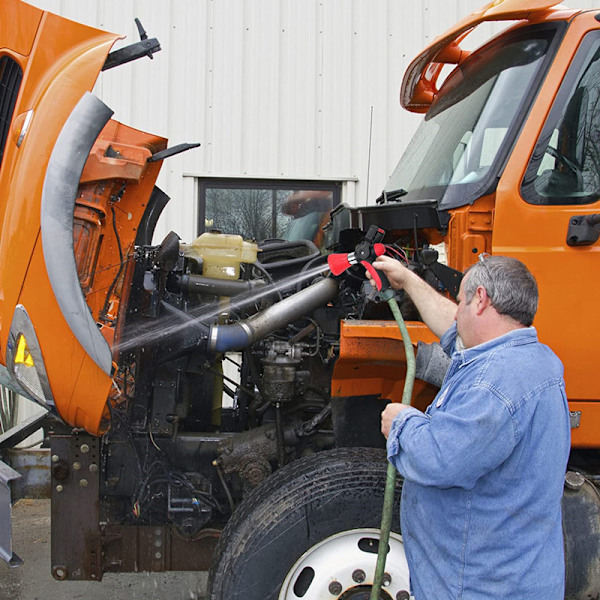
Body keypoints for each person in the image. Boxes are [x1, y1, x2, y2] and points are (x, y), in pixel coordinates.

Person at [372, 254, 571, 600]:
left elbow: (439, 458)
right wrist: (406, 280)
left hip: (479, 586)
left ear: (481, 299)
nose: (457, 309)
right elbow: (455, 327)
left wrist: (401, 422)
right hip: (515, 575)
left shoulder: (493, 384)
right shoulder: (533, 359)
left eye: (462, 300)